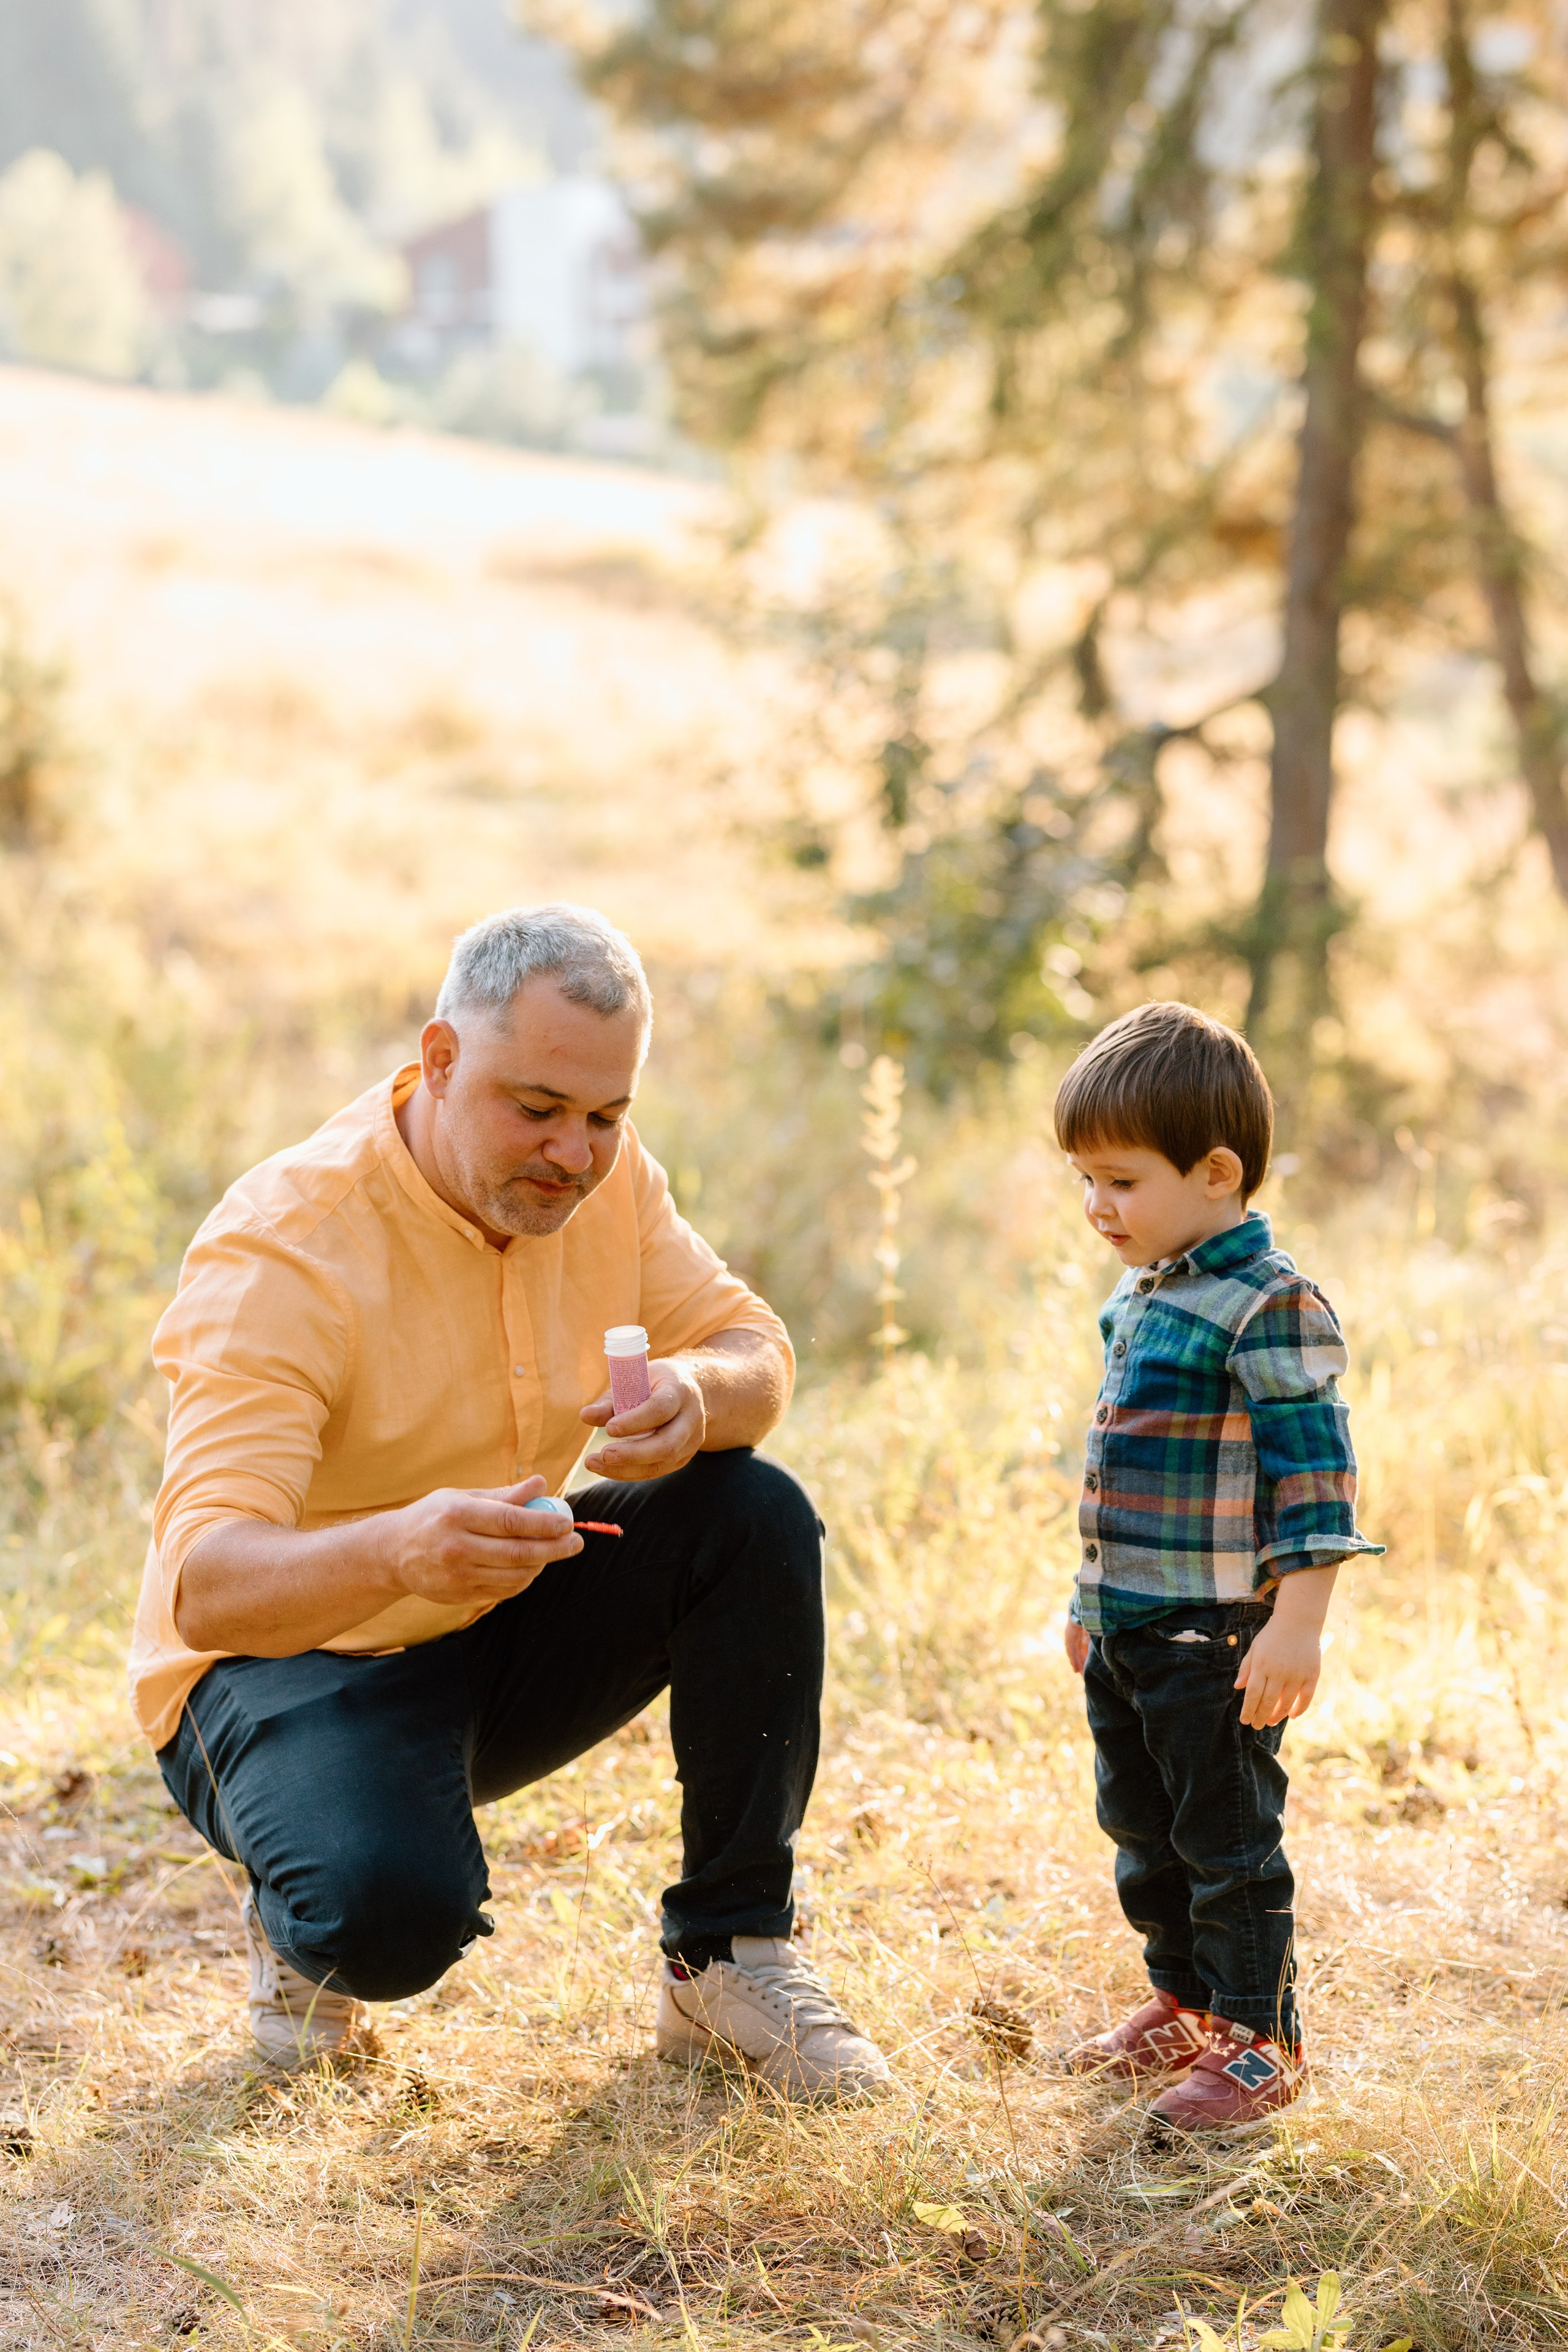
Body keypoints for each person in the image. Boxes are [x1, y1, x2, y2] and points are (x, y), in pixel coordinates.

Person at [132, 903, 889, 2099]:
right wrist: (398, 1549)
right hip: (284, 1663)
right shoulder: (285, 1250)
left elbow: (754, 1347)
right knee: (389, 1918)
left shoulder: (605, 1181)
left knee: (750, 1512)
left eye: (605, 1116)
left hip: (492, 1602)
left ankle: (726, 1956)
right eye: (535, 1109)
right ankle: (302, 1925)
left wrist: (699, 1392)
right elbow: (211, 1586)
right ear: (438, 1061)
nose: (574, 1154)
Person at [1052, 1001, 1381, 2129]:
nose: (1098, 1207)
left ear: (1216, 1171)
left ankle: (1261, 2039)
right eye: (1085, 1181)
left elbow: (1315, 1474)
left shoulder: (1267, 1304)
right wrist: (1088, 1600)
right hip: (1134, 1624)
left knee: (1227, 1838)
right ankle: (1185, 2003)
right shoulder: (1144, 1294)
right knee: (1141, 1825)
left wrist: (1299, 1621)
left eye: (1122, 1181)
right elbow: (1123, 1471)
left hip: (1219, 1638)